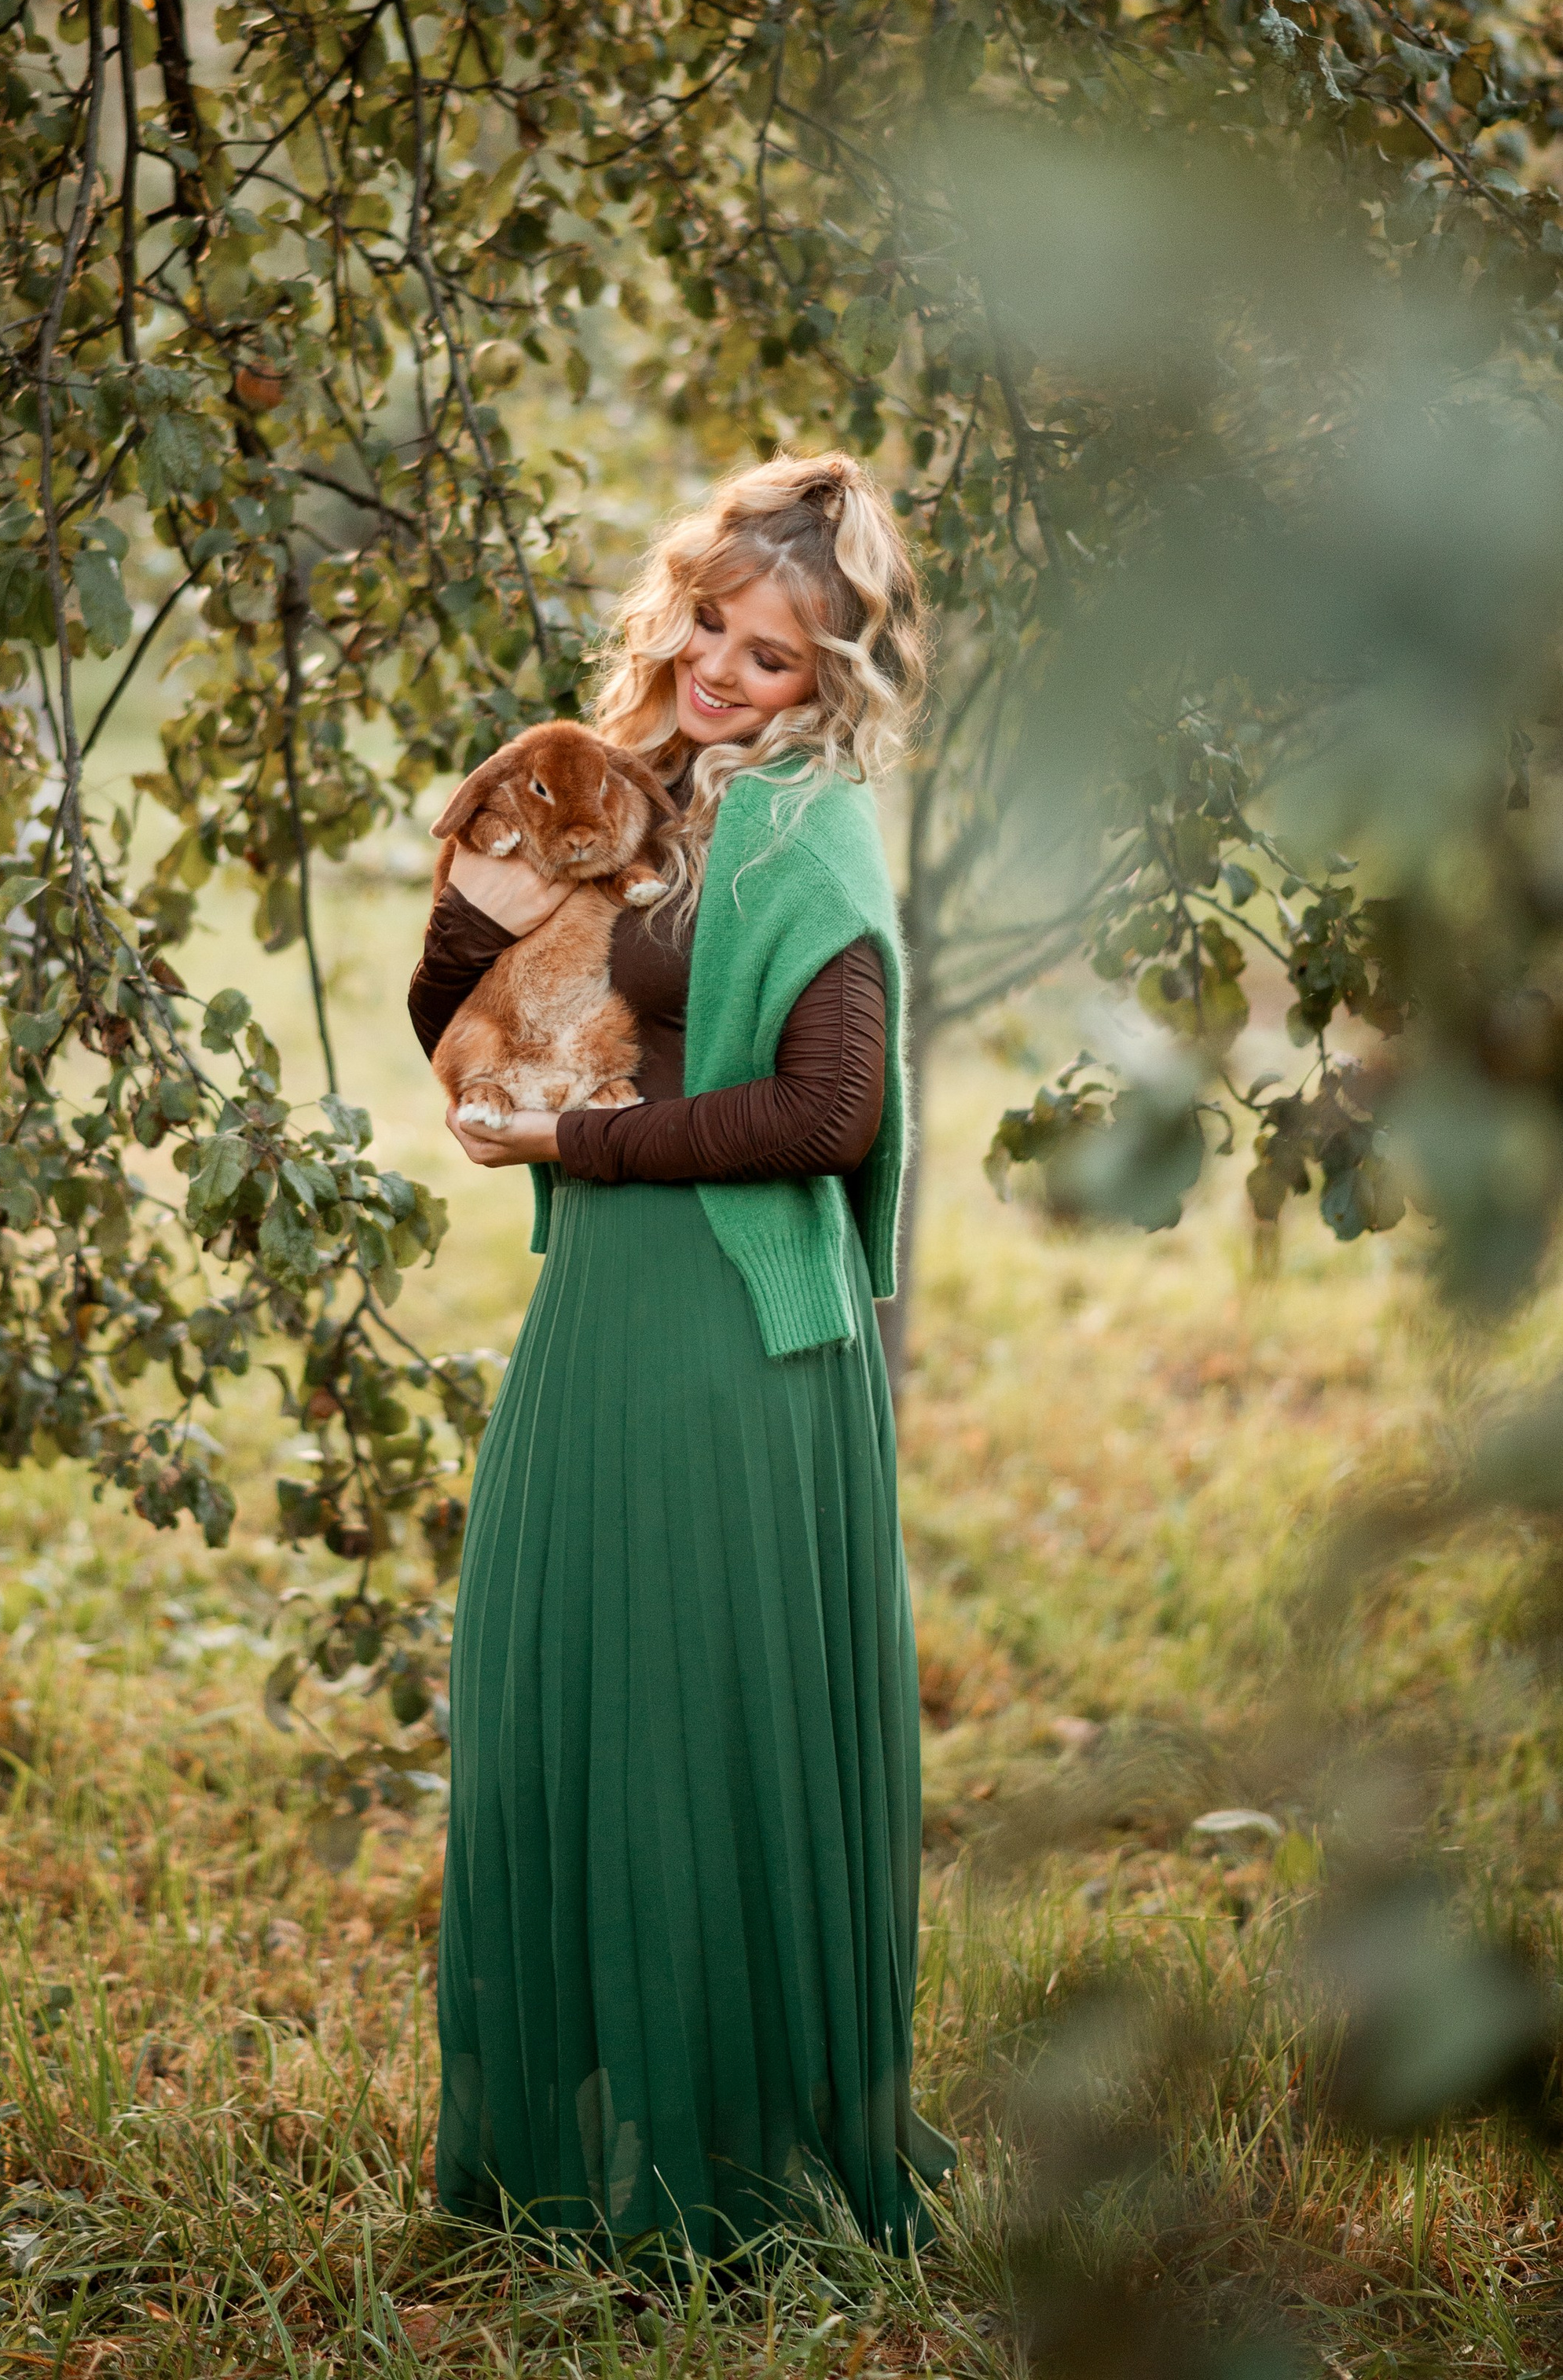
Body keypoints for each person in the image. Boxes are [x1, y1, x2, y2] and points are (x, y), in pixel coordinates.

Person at [407, 451, 954, 2264]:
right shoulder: (609, 784)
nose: (727, 670)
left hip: (734, 1325)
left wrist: (585, 1143)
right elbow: (461, 1022)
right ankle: (587, 2141)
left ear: (833, 682)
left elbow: (829, 1108)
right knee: (574, 1705)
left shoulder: (805, 832)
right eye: (713, 627)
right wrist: (477, 904)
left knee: (700, 1732)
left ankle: (739, 2160)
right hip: (602, 1315)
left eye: (775, 657)